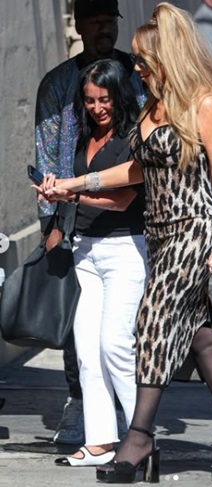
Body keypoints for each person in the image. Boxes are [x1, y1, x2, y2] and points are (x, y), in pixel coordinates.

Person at [39, 3, 212, 484]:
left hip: (193, 227)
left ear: (167, 56)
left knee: (153, 324)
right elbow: (134, 170)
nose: (136, 67)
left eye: (143, 59)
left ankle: (138, 437)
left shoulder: (203, 103)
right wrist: (73, 185)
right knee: (203, 340)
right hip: (159, 232)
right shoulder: (152, 106)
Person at [35, 0, 146, 445]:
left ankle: (136, 424)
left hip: (129, 221)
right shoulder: (59, 83)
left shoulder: (137, 74)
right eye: (95, 21)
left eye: (109, 21)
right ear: (78, 24)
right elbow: (47, 154)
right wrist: (51, 223)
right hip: (74, 221)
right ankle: (82, 406)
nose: (104, 29)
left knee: (120, 333)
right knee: (79, 328)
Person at [54, 59, 148, 467]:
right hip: (85, 250)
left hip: (126, 249)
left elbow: (123, 199)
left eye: (104, 99)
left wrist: (72, 193)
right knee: (88, 349)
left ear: (119, 96)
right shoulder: (85, 135)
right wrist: (55, 192)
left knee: (116, 346)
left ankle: (141, 438)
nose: (96, 108)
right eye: (90, 100)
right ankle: (100, 441)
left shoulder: (132, 138)